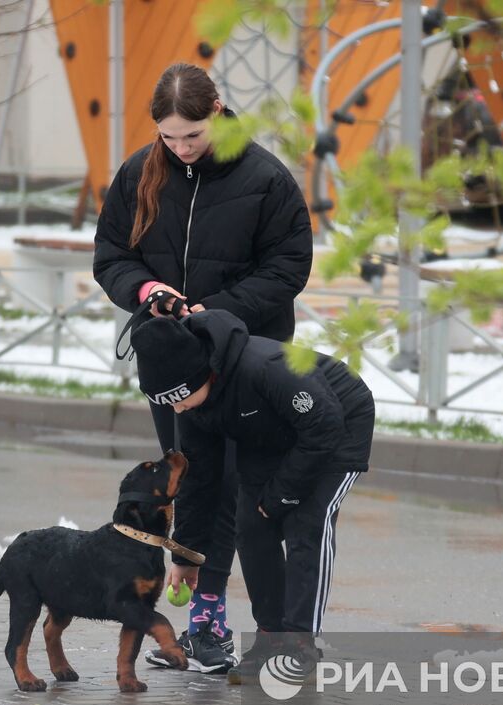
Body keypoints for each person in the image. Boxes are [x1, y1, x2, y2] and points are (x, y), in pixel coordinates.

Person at [94, 61, 313, 673]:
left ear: (217, 110)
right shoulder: (141, 171)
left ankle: (218, 618)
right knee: (190, 482)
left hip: (246, 364)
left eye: (191, 135)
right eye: (169, 137)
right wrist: (148, 293)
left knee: (239, 493)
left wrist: (210, 315)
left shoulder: (266, 179)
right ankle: (200, 621)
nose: (181, 148)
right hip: (173, 368)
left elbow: (287, 269)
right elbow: (112, 254)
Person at [129, 310, 374, 681]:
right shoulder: (192, 405)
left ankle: (300, 644)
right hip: (271, 435)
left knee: (307, 523)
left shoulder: (266, 367)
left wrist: (281, 496)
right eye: (169, 403)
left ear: (199, 375)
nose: (177, 409)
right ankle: (271, 638)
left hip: (337, 426)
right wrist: (186, 554)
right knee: (251, 526)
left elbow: (323, 428)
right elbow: (200, 480)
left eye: (179, 398)